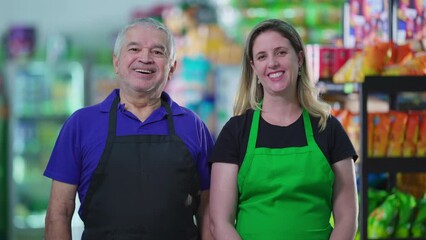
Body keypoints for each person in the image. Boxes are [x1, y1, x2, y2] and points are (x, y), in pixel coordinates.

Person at [44, 17, 214, 240]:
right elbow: (59, 212)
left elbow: (208, 213)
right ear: (116, 62)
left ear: (171, 68)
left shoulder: (194, 127)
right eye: (134, 49)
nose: (145, 58)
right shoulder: (80, 125)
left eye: (158, 52)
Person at [209, 19, 359, 240]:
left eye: (280, 53)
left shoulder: (328, 128)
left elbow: (347, 218)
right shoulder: (236, 131)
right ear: (254, 68)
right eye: (262, 56)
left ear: (299, 59)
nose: (272, 63)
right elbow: (219, 222)